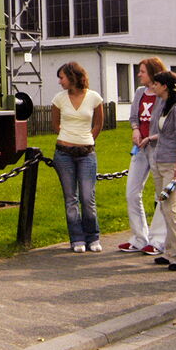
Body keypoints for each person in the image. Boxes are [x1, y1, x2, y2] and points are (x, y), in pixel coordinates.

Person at [51, 62, 104, 253]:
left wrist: (87, 139)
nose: (60, 81)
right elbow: (55, 124)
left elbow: (98, 124)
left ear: (73, 77)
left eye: (62, 77)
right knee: (70, 198)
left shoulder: (94, 98)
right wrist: (68, 137)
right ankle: (77, 238)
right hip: (64, 153)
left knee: (87, 196)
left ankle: (93, 236)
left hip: (86, 153)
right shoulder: (59, 99)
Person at [118, 57, 167, 255]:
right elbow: (133, 117)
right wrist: (135, 129)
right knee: (132, 193)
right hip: (140, 149)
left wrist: (153, 137)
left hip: (158, 149)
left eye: (143, 71)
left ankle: (158, 240)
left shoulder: (164, 96)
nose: (139, 74)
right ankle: (139, 237)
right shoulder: (139, 93)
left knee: (161, 195)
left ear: (153, 73)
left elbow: (171, 124)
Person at [150, 71, 176, 271]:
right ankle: (170, 252)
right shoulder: (163, 107)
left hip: (173, 166)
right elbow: (163, 134)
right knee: (164, 209)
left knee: (171, 209)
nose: (153, 86)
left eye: (156, 84)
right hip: (160, 163)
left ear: (165, 86)